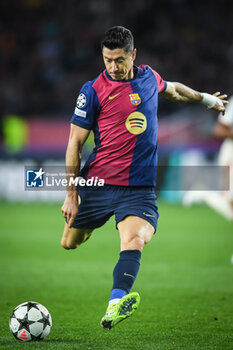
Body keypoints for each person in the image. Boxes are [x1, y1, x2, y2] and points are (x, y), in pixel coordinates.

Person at [61, 26, 227, 330]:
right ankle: (91, 224)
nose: (113, 66)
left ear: (133, 55)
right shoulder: (93, 90)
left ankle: (115, 304)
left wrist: (205, 99)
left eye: (119, 60)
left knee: (135, 240)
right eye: (108, 60)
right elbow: (75, 143)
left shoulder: (150, 77)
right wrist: (71, 194)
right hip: (98, 183)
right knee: (70, 242)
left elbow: (175, 89)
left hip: (137, 189)